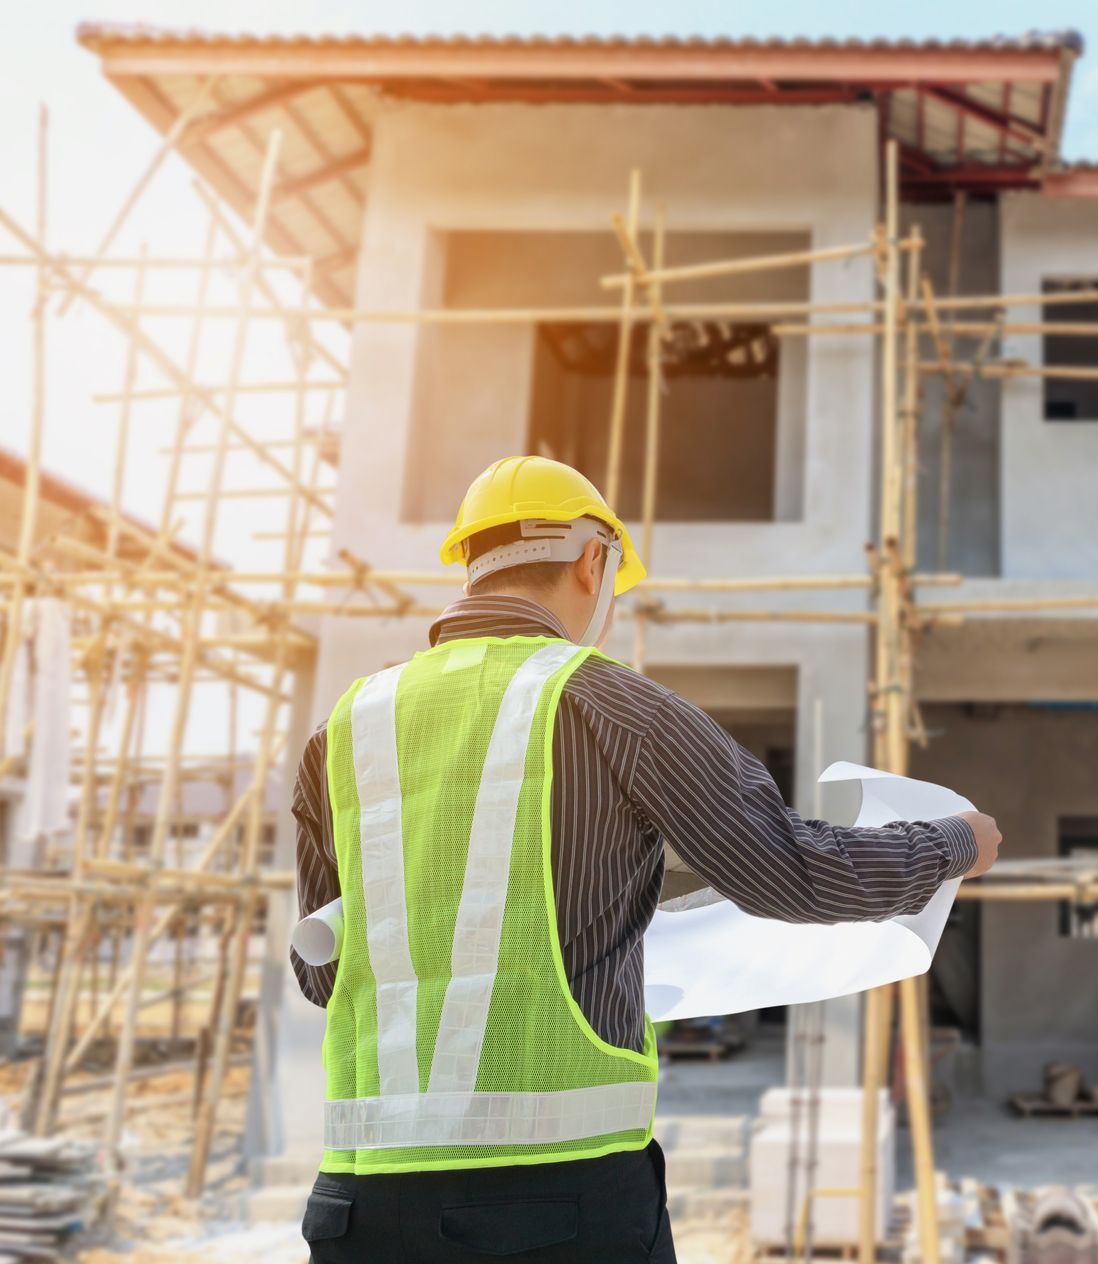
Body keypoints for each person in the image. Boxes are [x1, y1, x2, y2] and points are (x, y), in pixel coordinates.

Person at [289, 456, 1001, 1262]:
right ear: (593, 560)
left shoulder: (343, 731)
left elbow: (322, 974)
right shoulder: (613, 706)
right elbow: (793, 872)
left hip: (357, 1211)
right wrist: (953, 843)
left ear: (471, 564)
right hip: (557, 1210)